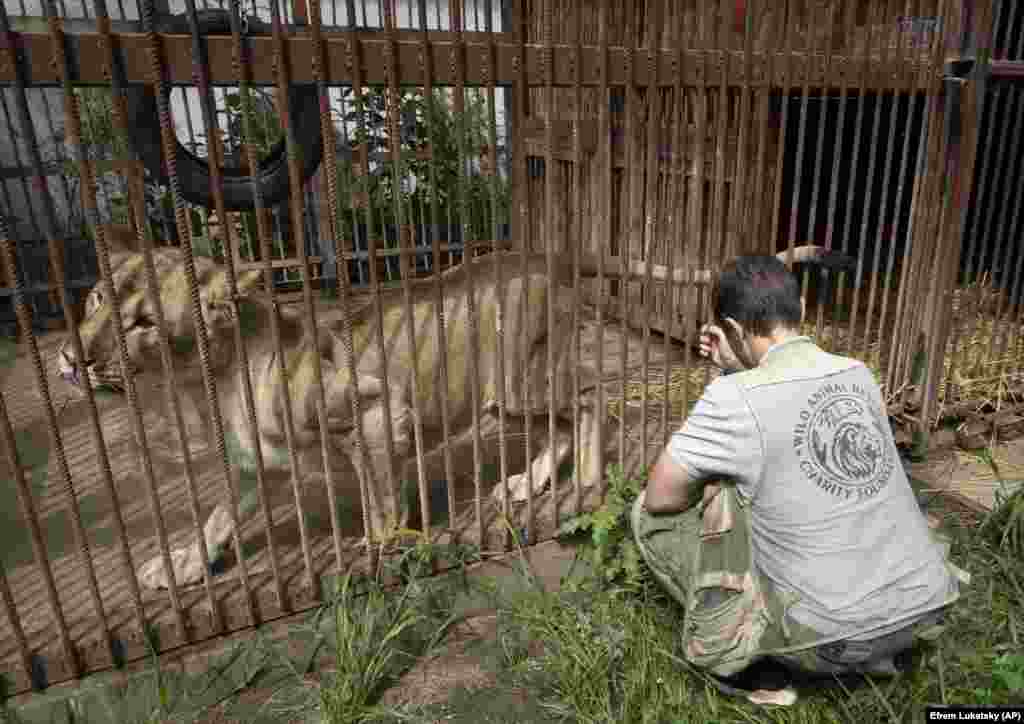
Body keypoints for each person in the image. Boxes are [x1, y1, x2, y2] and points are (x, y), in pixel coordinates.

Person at [632, 254, 968, 706]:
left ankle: (746, 661)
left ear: (730, 328)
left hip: (829, 641)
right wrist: (738, 370)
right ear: (803, 308)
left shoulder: (733, 397)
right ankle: (883, 640)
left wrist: (726, 376)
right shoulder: (859, 373)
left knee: (669, 509)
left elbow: (662, 497)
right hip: (925, 609)